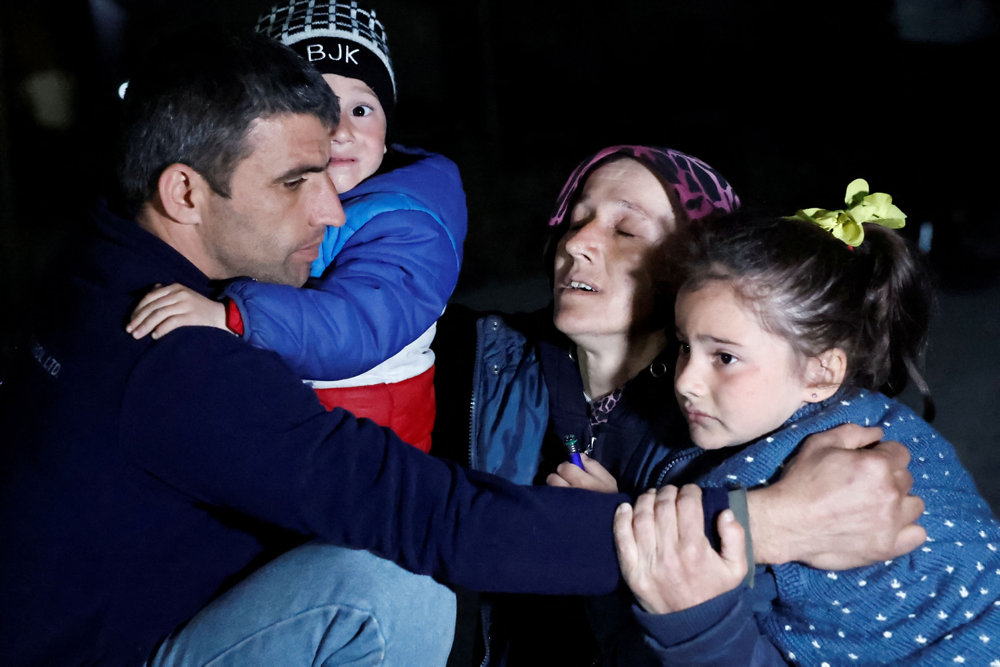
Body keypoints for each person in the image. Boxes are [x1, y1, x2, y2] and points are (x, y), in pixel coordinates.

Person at [431, 146, 927, 663]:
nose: (576, 243)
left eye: (626, 231)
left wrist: (625, 530)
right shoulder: (474, 353)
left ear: (697, 266)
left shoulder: (744, 424)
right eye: (576, 220)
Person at [613, 181, 1000, 663]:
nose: (686, 380)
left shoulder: (760, 473)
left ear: (821, 371)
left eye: (725, 357)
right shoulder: (882, 414)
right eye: (685, 346)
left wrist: (617, 514)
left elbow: (663, 572)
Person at [126, 0, 466, 452]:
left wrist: (230, 316)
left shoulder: (409, 222)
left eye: (362, 109)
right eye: (322, 107)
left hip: (367, 436)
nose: (341, 129)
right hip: (300, 412)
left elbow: (357, 326)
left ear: (389, 129)